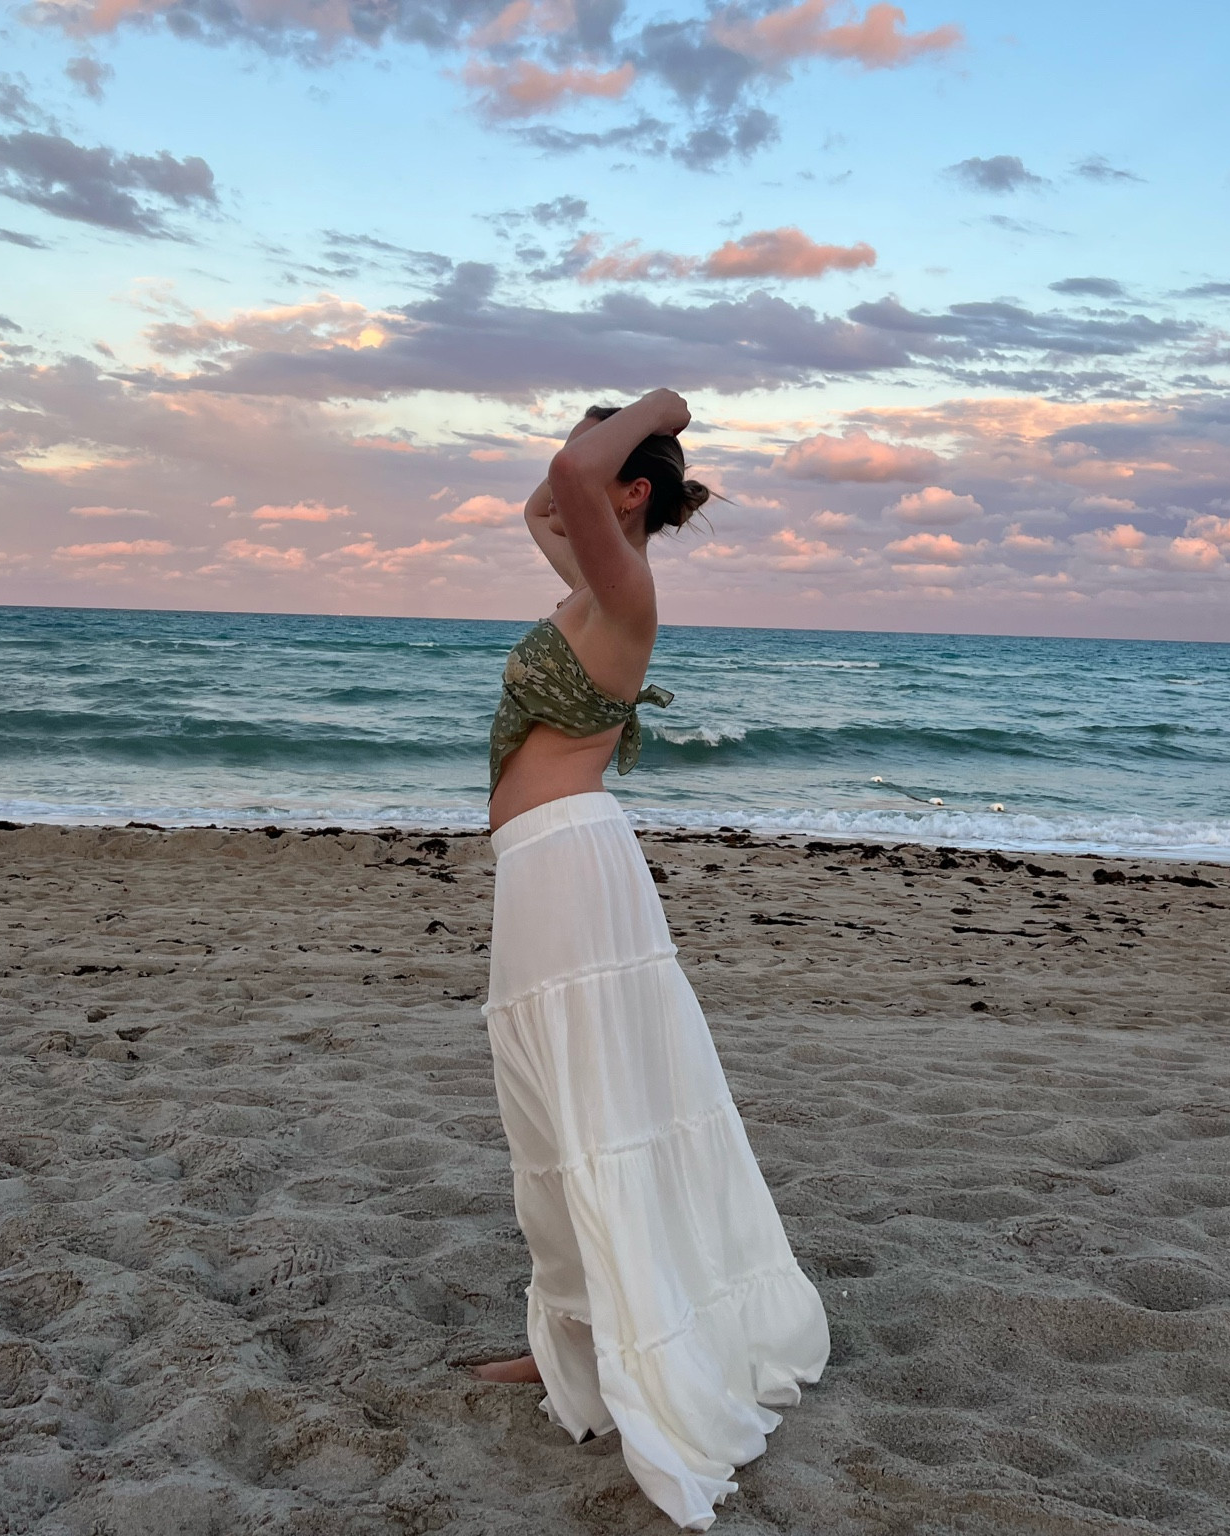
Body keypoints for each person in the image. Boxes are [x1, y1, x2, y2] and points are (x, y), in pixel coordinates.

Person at [471, 389, 830, 1530]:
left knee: (596, 1108)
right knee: (548, 1116)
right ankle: (569, 1338)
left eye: (611, 456)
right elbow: (548, 495)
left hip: (572, 863)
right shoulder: (588, 583)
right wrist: (613, 448)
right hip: (542, 865)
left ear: (632, 488)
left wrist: (655, 407)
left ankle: (629, 1342)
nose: (586, 469)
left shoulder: (628, 595)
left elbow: (572, 479)